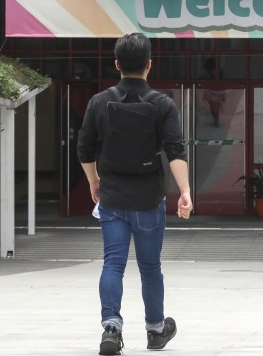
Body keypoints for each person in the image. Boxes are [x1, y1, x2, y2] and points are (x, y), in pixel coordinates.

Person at [78, 33, 193, 355]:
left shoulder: (99, 102)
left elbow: (84, 149)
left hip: (113, 197)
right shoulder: (162, 104)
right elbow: (175, 151)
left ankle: (111, 328)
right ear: (149, 65)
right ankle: (156, 329)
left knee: (113, 263)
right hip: (148, 198)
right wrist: (185, 192)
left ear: (117, 65)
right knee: (150, 266)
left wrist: (94, 180)